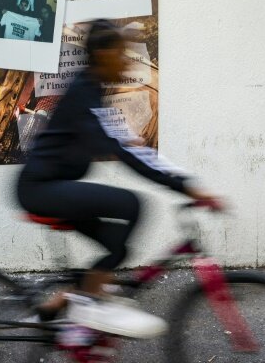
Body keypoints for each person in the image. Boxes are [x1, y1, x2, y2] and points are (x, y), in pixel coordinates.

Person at [16, 20, 224, 338]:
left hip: (48, 186)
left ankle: (59, 305)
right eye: (121, 54)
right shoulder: (84, 93)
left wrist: (184, 181)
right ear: (102, 55)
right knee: (131, 205)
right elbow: (126, 153)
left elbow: (130, 146)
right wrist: (186, 188)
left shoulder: (93, 92)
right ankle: (88, 306)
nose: (127, 61)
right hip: (39, 189)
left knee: (116, 247)